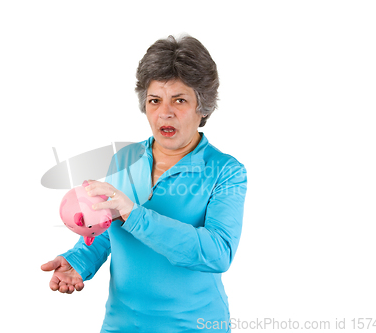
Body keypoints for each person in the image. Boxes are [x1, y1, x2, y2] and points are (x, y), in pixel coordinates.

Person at [41, 35, 247, 333]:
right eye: (155, 100)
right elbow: (106, 230)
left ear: (202, 107)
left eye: (180, 99)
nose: (165, 112)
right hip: (122, 324)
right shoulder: (125, 158)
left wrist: (135, 215)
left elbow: (218, 253)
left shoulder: (226, 171)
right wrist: (78, 261)